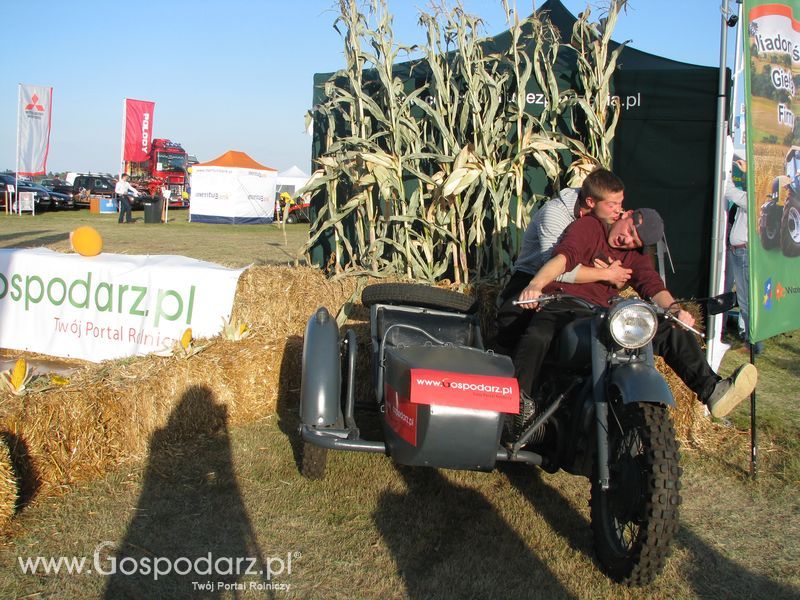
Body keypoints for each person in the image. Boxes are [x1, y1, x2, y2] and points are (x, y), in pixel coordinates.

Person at [511, 208, 758, 419]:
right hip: (564, 303)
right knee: (538, 336)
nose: (626, 240)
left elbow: (652, 285)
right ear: (626, 215)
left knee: (669, 330)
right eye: (629, 231)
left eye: (634, 241)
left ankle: (712, 390)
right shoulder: (590, 227)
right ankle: (518, 406)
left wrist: (675, 311)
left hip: (603, 315)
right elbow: (565, 257)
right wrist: (535, 285)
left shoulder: (634, 257)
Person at [495, 168, 632, 353]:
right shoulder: (555, 213)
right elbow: (554, 268)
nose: (619, 210)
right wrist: (607, 274)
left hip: (581, 285)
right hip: (534, 276)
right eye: (613, 204)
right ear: (591, 202)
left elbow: (626, 268)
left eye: (620, 204)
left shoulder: (607, 214)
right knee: (514, 324)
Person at [725, 157, 763, 354]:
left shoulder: (754, 200)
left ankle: (753, 344)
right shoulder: (755, 198)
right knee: (746, 298)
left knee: (746, 300)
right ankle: (752, 342)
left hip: (743, 253)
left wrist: (727, 173)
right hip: (741, 251)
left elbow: (728, 191)